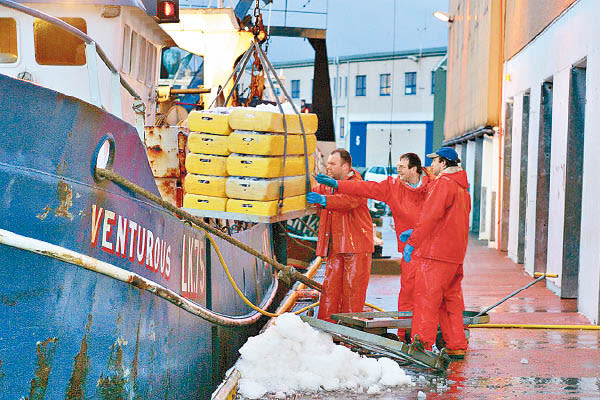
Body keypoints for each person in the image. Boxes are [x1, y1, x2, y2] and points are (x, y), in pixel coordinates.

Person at [315, 153, 431, 340]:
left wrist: (327, 198)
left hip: (431, 250)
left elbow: (353, 199)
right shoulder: (393, 187)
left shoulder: (434, 188)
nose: (397, 170)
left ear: (414, 169)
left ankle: (426, 339)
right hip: (409, 249)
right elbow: (366, 188)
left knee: (431, 294)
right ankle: (405, 335)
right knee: (407, 291)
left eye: (402, 166)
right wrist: (335, 185)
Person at [402, 147, 471, 359]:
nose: (431, 166)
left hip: (435, 255)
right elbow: (449, 220)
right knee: (451, 302)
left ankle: (421, 347)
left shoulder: (444, 184)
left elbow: (431, 215)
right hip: (454, 257)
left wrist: (414, 241)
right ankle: (456, 344)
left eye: (435, 162)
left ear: (444, 163)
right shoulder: (463, 189)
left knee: (426, 301)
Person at [306, 149, 374, 322]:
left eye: (332, 164)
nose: (328, 167)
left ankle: (349, 334)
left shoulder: (357, 183)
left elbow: (348, 200)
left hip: (356, 246)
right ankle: (327, 327)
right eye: (328, 163)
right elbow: (315, 189)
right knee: (330, 288)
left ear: (345, 166)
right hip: (336, 245)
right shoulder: (329, 183)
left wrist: (323, 201)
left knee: (353, 291)